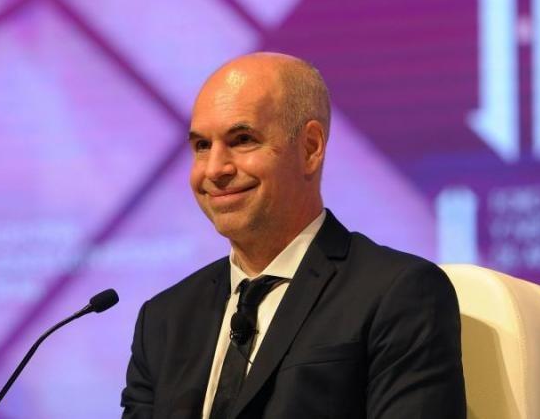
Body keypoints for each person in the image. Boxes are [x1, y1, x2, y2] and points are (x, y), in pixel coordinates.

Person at [121, 52, 466, 418]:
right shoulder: (163, 321)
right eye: (202, 146)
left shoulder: (398, 294)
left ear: (310, 148)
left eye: (242, 139)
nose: (215, 170)